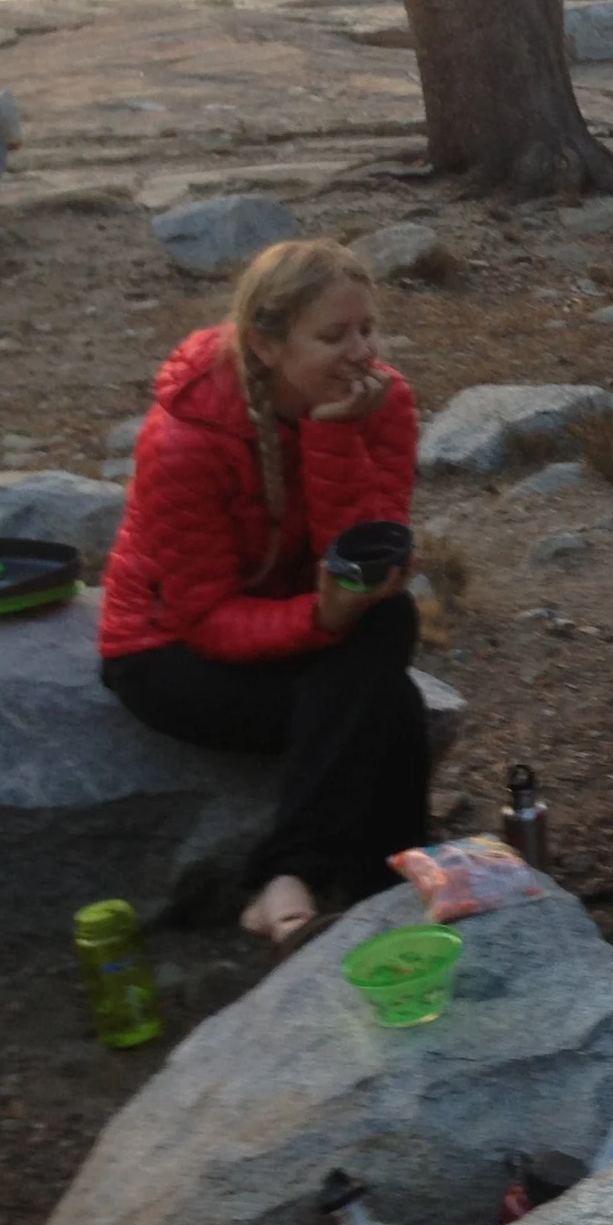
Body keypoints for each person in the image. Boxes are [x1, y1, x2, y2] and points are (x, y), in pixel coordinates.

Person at [99, 239, 425, 948]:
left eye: (367, 328)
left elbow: (369, 553)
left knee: (387, 622)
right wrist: (320, 616)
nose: (360, 351)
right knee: (386, 702)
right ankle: (333, 879)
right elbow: (205, 617)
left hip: (289, 619)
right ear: (267, 345)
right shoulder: (184, 441)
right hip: (170, 650)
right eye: (333, 336)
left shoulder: (382, 400)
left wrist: (335, 437)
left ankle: (363, 901)